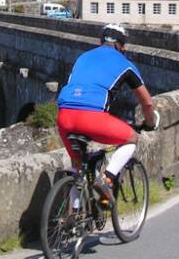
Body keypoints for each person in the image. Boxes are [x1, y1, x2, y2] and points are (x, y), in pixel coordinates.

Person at [56, 23, 159, 207]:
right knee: (131, 138)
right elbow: (147, 102)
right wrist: (150, 122)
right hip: (91, 118)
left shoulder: (83, 57)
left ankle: (73, 220)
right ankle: (108, 178)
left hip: (64, 116)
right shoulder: (125, 64)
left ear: (100, 41)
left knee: (78, 167)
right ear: (123, 47)